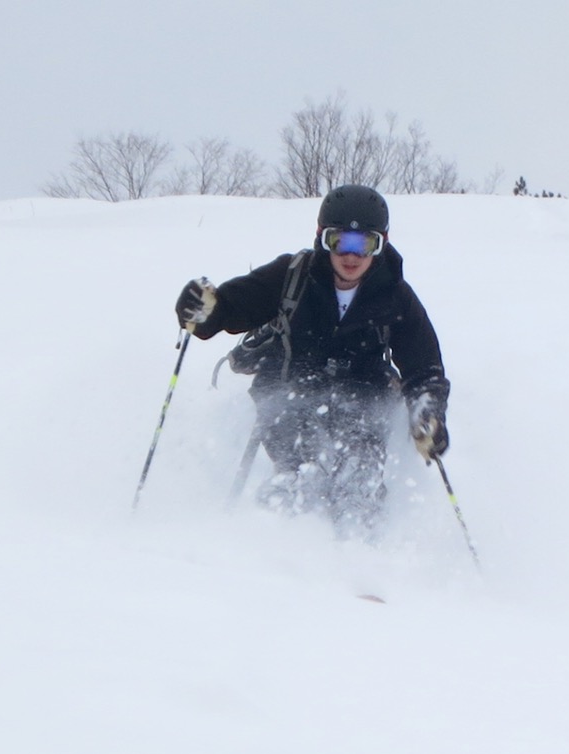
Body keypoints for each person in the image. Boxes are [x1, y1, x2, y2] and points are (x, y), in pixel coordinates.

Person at [175, 184, 449, 529]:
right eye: (340, 241)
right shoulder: (292, 276)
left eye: (365, 244)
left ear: (382, 243)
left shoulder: (395, 296)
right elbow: (229, 309)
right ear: (322, 237)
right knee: (301, 478)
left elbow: (424, 368)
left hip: (362, 403)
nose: (351, 256)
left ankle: (360, 561)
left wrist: (428, 414)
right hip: (290, 395)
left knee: (358, 481)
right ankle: (270, 551)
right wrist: (203, 311)